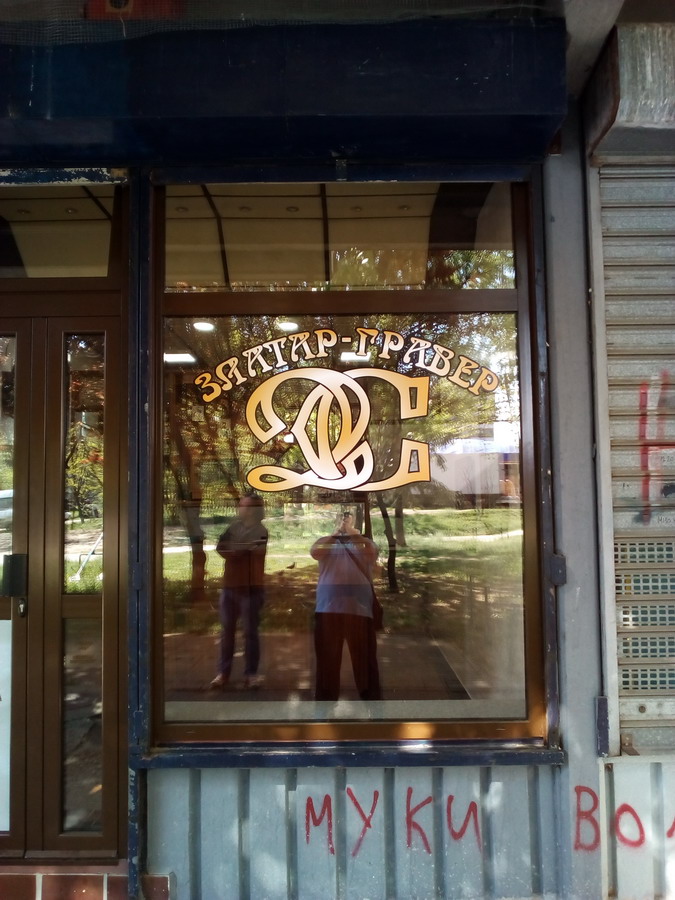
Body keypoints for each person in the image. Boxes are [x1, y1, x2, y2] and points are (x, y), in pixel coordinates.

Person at [310, 511, 382, 701]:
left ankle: (372, 702)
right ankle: (325, 702)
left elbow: (371, 554)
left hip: (360, 610)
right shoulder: (326, 541)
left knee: (365, 661)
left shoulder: (364, 542)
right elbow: (315, 553)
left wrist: (354, 534)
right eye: (342, 519)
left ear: (355, 522)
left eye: (348, 520)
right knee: (327, 660)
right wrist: (335, 535)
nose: (345, 522)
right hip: (328, 609)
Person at [210, 494, 268, 690]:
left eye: (243, 506)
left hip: (251, 588)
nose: (240, 509)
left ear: (252, 510)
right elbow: (221, 547)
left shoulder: (261, 531)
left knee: (250, 633)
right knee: (227, 632)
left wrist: (235, 550)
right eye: (241, 505)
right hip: (230, 587)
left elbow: (249, 551)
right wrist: (237, 550)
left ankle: (251, 674)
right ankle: (223, 673)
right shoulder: (233, 528)